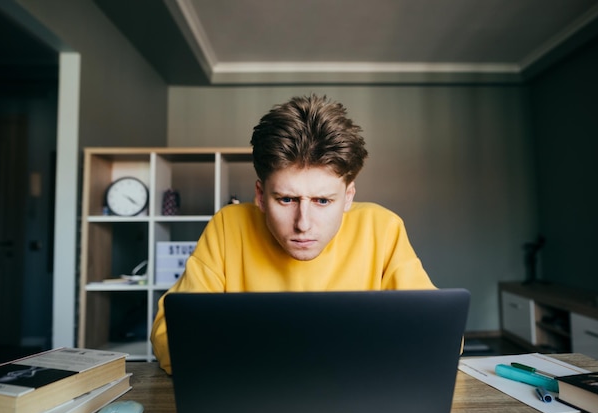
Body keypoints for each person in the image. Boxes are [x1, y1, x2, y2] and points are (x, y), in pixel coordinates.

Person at [150, 94, 436, 374]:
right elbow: (168, 337)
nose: (303, 224)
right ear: (261, 196)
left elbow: (436, 332)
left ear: (348, 197)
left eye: (322, 201)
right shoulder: (227, 226)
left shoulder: (382, 228)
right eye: (287, 199)